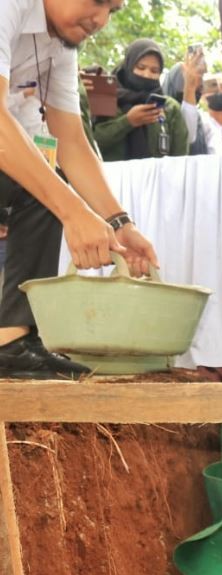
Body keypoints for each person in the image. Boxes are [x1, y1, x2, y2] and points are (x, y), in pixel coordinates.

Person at [0, 0, 159, 378]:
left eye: (113, 10)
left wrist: (120, 223)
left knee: (46, 186)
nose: (101, 20)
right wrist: (73, 213)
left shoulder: (60, 44)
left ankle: (10, 341)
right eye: (98, 0)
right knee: (54, 194)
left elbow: (69, 139)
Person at [92, 39, 189, 161]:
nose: (147, 75)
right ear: (128, 65)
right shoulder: (105, 97)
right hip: (111, 178)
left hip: (157, 179)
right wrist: (128, 122)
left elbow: (180, 157)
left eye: (154, 71)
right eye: (141, 67)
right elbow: (90, 143)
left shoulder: (168, 107)